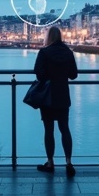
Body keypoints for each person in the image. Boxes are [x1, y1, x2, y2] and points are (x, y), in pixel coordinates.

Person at [34, 26, 78, 177]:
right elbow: (73, 75)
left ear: (48, 37)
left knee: (49, 130)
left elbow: (39, 74)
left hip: (47, 95)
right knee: (65, 128)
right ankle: (69, 162)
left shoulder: (44, 52)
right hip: (63, 94)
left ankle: (50, 162)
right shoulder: (68, 52)